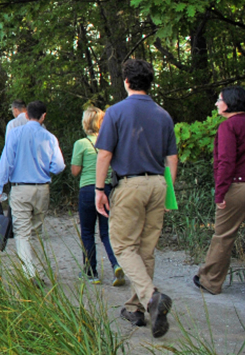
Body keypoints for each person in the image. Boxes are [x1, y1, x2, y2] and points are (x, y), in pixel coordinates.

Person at [95, 59, 178, 338]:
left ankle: (151, 296)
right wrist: (169, 191)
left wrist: (99, 190)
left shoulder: (116, 112)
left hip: (130, 184)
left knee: (122, 246)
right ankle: (136, 308)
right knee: (146, 248)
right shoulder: (163, 114)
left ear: (127, 82)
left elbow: (105, 153)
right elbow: (172, 158)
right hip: (158, 184)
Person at [0, 101, 65, 284]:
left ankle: (30, 273)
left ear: (26, 115)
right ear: (43, 116)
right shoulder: (50, 137)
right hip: (42, 188)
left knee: (22, 233)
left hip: (20, 188)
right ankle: (39, 271)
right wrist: (45, 167)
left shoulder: (15, 134)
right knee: (37, 231)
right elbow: (58, 166)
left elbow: (6, 162)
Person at [195, 86, 245, 295]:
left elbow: (226, 161)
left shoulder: (228, 127)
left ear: (229, 103)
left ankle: (210, 280)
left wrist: (220, 193)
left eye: (219, 100)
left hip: (238, 187)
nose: (217, 104)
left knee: (224, 235)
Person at [71, 107, 124, 286]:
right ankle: (116, 264)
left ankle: (91, 272)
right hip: (107, 189)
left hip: (87, 190)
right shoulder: (110, 142)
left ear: (86, 123)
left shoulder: (81, 143)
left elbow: (75, 170)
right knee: (106, 232)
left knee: (87, 232)